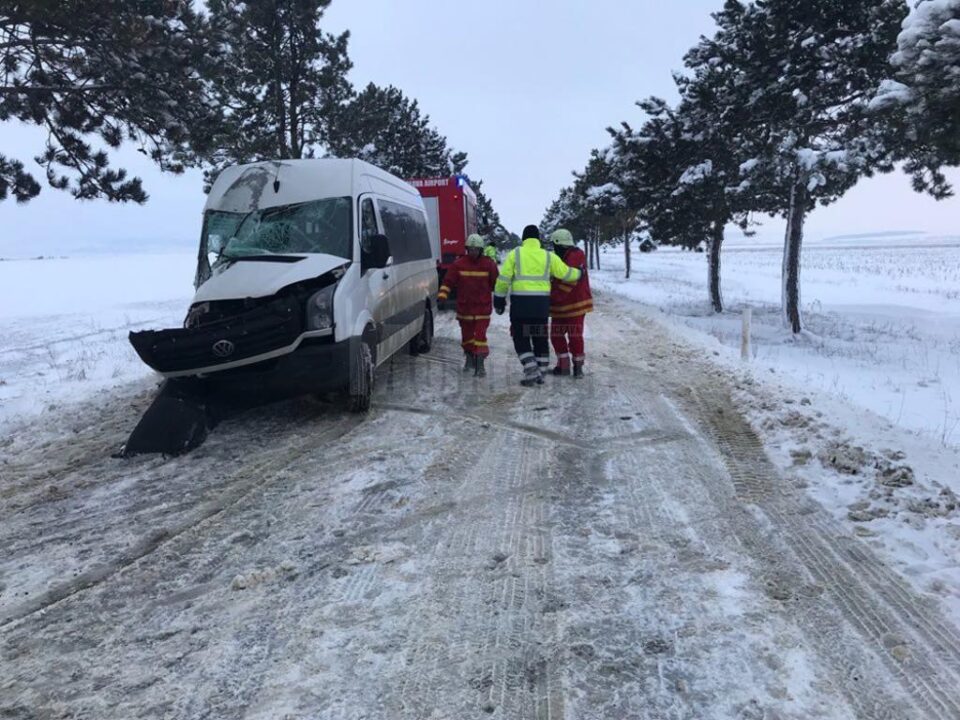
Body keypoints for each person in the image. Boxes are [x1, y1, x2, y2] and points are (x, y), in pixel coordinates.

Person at [494, 225, 582, 386]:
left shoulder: (515, 254)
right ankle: (540, 373)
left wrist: (499, 300)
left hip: (520, 306)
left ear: (524, 239)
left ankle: (531, 368)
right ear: (538, 239)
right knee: (540, 338)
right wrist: (580, 273)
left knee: (520, 338)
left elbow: (503, 279)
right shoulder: (548, 256)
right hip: (541, 307)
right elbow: (565, 273)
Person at [438, 234, 499, 376]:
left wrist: (499, 298)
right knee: (466, 337)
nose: (473, 252)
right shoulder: (458, 264)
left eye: (476, 249)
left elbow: (496, 284)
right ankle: (470, 358)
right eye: (470, 249)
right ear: (466, 249)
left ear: (481, 249)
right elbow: (448, 282)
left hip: (482, 309)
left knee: (480, 337)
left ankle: (480, 364)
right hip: (465, 309)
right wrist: (442, 295)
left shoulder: (489, 264)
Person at [548, 229, 593, 378]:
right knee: (556, 335)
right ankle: (563, 366)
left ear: (559, 244)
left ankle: (578, 368)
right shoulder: (560, 257)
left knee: (575, 337)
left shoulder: (576, 255)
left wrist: (551, 298)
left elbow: (568, 281)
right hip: (559, 307)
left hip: (575, 305)